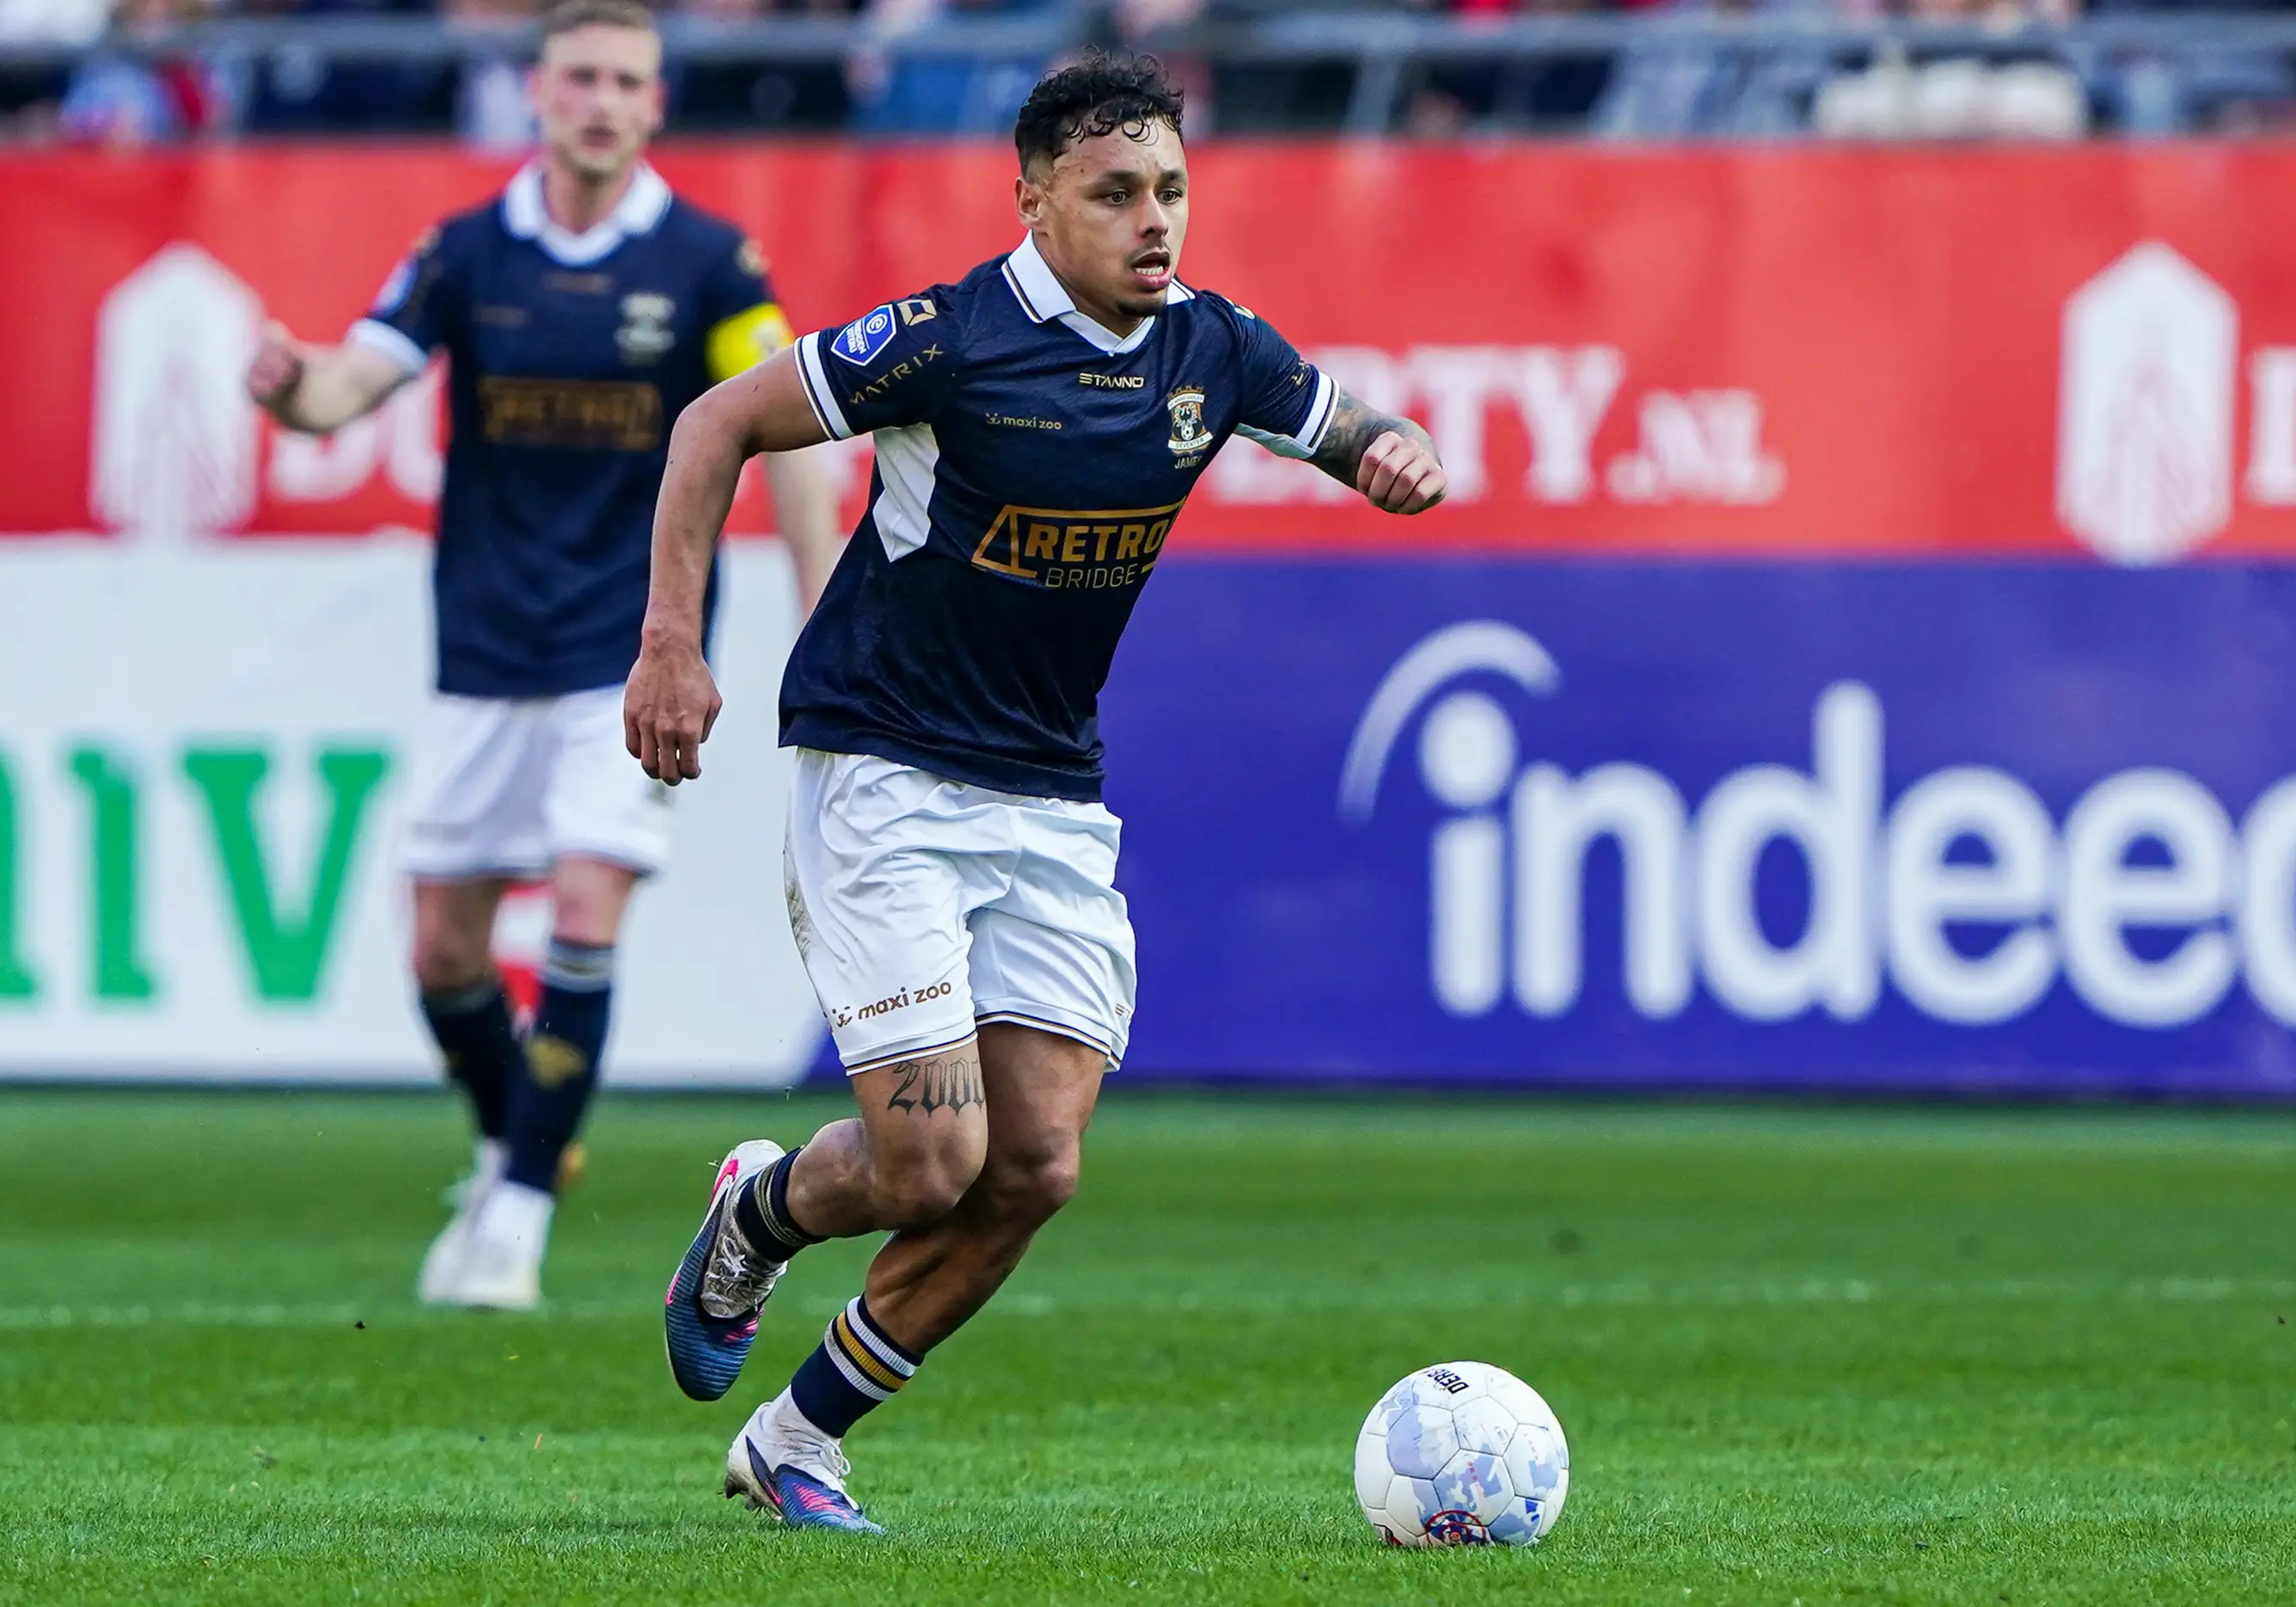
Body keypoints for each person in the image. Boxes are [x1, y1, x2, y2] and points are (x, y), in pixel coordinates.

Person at [625, 51, 1448, 1531]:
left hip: (1049, 796)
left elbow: (1352, 426)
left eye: (1174, 191)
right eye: (1117, 191)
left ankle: (796, 1443)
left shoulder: (1216, 349)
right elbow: (712, 427)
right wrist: (673, 645)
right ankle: (757, 1213)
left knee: (1037, 1168)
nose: (1156, 221)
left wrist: (1396, 455)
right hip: (883, 762)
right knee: (932, 1159)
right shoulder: (945, 339)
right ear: (1035, 202)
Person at [245, 0, 842, 1311]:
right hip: (482, 649)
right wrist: (291, 385)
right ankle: (519, 1141)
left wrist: (820, 609)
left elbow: (790, 427)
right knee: (442, 956)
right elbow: (352, 385)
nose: (602, 100)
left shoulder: (709, 262)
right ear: (537, 91)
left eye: (627, 80)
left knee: (583, 908)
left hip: (626, 653)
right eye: (580, 75)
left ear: (656, 103)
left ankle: (512, 1216)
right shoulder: (466, 252)